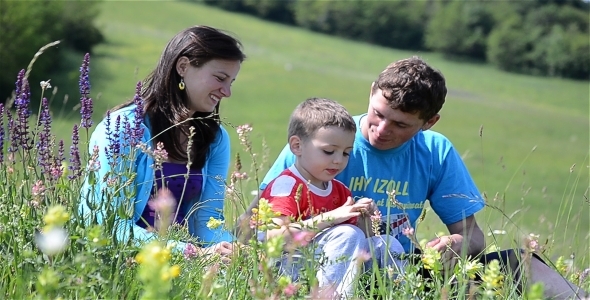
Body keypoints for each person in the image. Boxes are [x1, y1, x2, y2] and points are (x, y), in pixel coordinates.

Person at [240, 57, 588, 299]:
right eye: (378, 114)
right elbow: (253, 222)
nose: (381, 130)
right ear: (372, 91)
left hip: (400, 270)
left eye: (401, 124)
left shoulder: (436, 151)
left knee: (521, 264)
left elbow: (472, 237)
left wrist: (456, 246)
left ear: (429, 122)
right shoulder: (325, 139)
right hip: (325, 270)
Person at [79, 25, 246, 259]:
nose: (227, 91)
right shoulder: (123, 128)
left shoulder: (215, 140)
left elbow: (208, 221)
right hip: (119, 262)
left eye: (232, 82)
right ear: (183, 67)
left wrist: (232, 250)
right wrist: (191, 253)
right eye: (220, 78)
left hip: (181, 265)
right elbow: (106, 223)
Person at [256, 97, 405, 298]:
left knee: (387, 243)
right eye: (328, 151)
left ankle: (400, 294)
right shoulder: (286, 185)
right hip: (286, 270)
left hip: (329, 266)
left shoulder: (340, 190)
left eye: (346, 153)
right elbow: (272, 238)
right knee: (346, 234)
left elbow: (358, 240)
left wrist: (367, 220)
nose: (338, 160)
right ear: (297, 146)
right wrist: (331, 218)